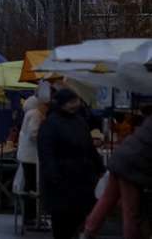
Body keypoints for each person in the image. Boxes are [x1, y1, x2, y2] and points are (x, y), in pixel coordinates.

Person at [37, 88, 104, 239]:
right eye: (72, 102)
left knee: (78, 220)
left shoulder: (80, 121)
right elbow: (46, 154)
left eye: (77, 101)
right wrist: (54, 177)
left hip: (82, 180)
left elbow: (89, 148)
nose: (76, 104)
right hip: (61, 183)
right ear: (62, 103)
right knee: (62, 225)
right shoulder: (50, 124)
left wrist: (100, 167)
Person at [83, 112, 152, 239]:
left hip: (121, 158)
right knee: (131, 211)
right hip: (133, 167)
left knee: (107, 199)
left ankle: (88, 233)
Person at [16, 95, 48, 223]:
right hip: (32, 157)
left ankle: (29, 215)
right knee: (33, 187)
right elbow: (34, 134)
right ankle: (31, 216)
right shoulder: (36, 114)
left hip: (26, 156)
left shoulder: (29, 114)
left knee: (30, 186)